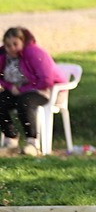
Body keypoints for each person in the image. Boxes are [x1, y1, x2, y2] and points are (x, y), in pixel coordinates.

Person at [0, 27, 68, 156]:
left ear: (22, 41)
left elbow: (46, 80)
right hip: (17, 90)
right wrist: (9, 87)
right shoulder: (3, 55)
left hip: (44, 91)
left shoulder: (34, 53)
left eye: (15, 44)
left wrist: (22, 89)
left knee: (24, 102)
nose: (12, 48)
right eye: (8, 45)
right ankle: (11, 139)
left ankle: (32, 143)